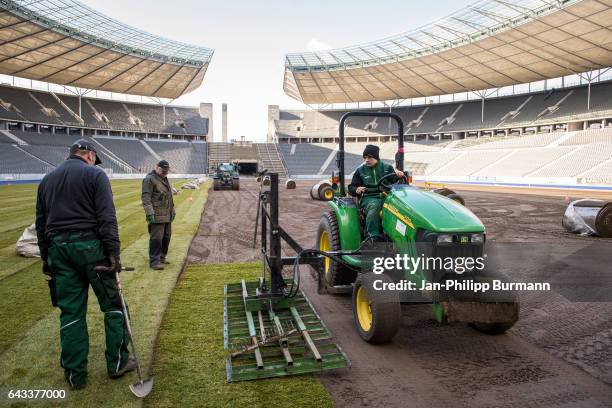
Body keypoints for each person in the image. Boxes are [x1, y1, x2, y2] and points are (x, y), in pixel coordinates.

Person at [35, 139, 135, 390]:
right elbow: (107, 217)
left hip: (59, 250)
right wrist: (114, 254)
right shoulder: (95, 175)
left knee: (71, 313)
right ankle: (117, 363)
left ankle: (75, 375)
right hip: (91, 249)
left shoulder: (47, 180)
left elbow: (41, 224)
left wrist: (47, 259)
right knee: (114, 306)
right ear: (89, 155)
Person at [348, 144, 404, 240]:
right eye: (365, 157)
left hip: (387, 196)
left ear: (376, 157)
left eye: (369, 157)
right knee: (374, 207)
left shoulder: (387, 167)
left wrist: (399, 175)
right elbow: (351, 187)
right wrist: (356, 189)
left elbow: (394, 180)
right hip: (369, 198)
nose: (366, 160)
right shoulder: (360, 171)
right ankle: (372, 237)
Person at [141, 160, 175, 270]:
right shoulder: (149, 179)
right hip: (157, 215)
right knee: (156, 238)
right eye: (162, 171)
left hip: (167, 214)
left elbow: (169, 196)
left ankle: (162, 257)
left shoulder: (164, 178)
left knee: (167, 237)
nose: (164, 173)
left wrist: (173, 209)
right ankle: (154, 261)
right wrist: (149, 213)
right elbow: (146, 198)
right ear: (156, 167)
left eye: (166, 171)